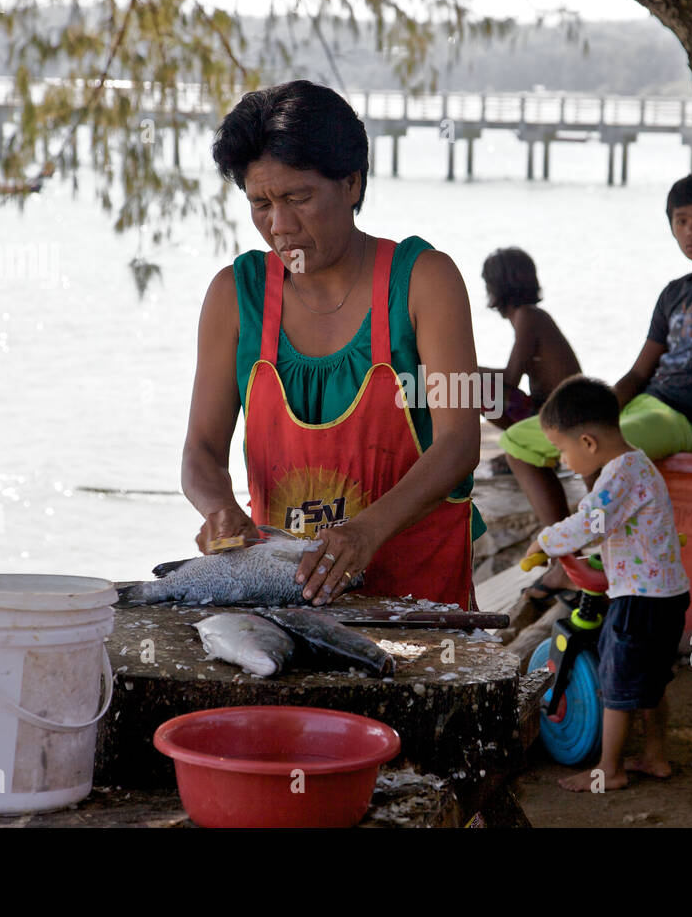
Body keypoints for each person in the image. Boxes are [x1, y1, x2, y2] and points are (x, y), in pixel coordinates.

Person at [182, 79, 485, 610]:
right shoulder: (234, 294)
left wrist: (366, 532)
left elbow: (459, 442)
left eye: (298, 198)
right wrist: (219, 508)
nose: (280, 226)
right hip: (288, 603)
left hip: (417, 603)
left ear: (351, 183)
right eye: (261, 204)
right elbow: (201, 452)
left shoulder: (426, 280)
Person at [504, 172, 692, 600]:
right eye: (680, 221)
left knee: (598, 446)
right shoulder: (672, 293)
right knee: (518, 440)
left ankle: (582, 560)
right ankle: (565, 558)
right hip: (649, 401)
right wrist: (599, 407)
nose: (691, 231)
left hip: (688, 416)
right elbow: (639, 373)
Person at [522, 376, 690, 792]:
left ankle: (608, 770)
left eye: (563, 450)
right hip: (665, 595)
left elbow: (587, 523)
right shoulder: (638, 464)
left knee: (617, 682)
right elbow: (611, 528)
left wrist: (544, 540)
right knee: (651, 681)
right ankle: (654, 756)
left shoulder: (618, 475)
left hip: (639, 600)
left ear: (588, 442)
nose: (563, 461)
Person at [476, 247, 581, 429]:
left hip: (561, 416)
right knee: (468, 383)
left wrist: (464, 369)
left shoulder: (527, 315)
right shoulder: (529, 315)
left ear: (498, 286)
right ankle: (521, 444)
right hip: (554, 409)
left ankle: (525, 446)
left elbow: (510, 378)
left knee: (471, 388)